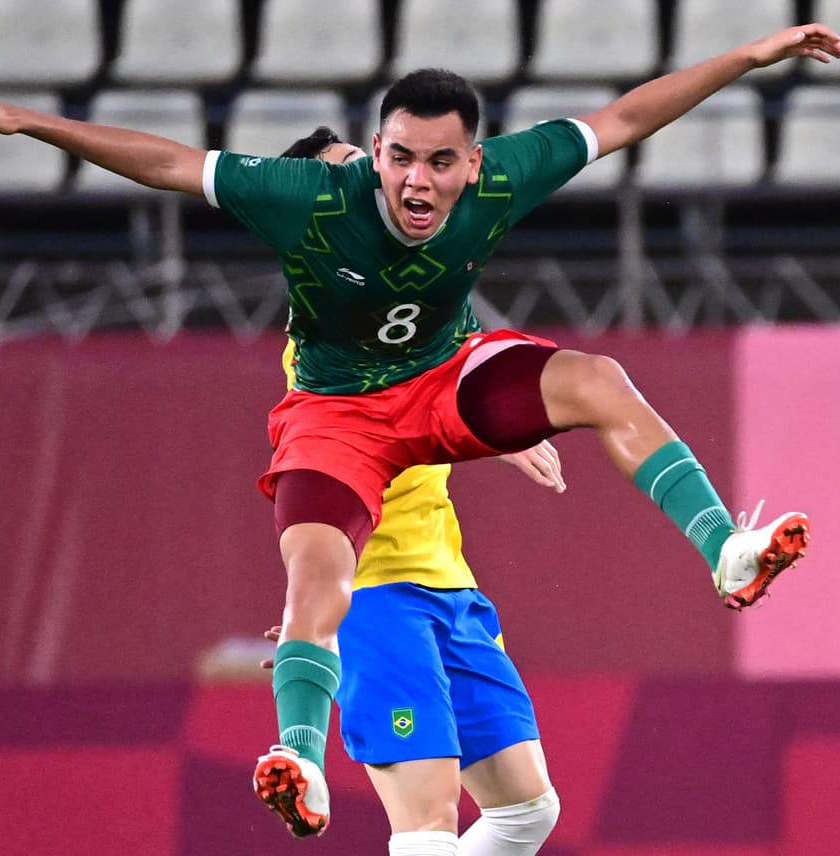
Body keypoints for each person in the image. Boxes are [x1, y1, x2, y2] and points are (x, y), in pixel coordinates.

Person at [0, 22, 838, 844]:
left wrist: (748, 58)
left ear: (471, 163)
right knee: (319, 581)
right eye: (386, 160)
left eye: (436, 163)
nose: (408, 181)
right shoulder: (305, 204)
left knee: (595, 385)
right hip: (344, 426)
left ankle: (725, 548)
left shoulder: (494, 181)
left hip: (442, 393)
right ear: (366, 156)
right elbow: (166, 163)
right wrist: (33, 124)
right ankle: (299, 758)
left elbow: (628, 118)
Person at [265, 129, 565, 855]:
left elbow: (446, 358)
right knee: (429, 826)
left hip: (450, 590)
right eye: (344, 185)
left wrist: (502, 423)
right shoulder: (327, 331)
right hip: (380, 596)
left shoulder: (398, 302)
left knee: (528, 812)